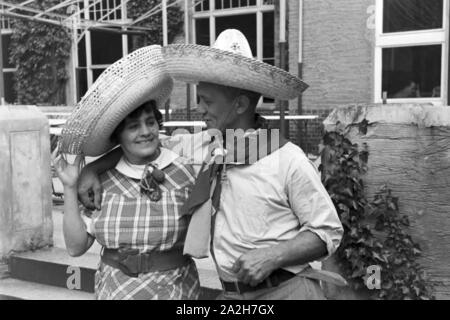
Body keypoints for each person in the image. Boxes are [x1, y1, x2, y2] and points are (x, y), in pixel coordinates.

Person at [77, 30, 345, 300]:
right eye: (199, 99)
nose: (199, 109)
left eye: (207, 101)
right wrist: (93, 169)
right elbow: (147, 145)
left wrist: (273, 255)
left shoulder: (287, 159)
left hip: (287, 291)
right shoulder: (204, 146)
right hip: (233, 295)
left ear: (240, 104)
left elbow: (327, 231)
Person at [53, 45, 200, 300]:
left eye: (150, 122)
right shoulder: (100, 183)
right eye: (133, 126)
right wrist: (69, 187)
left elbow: (239, 145)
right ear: (117, 136)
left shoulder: (186, 169)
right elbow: (76, 247)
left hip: (177, 293)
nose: (145, 132)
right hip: (116, 292)